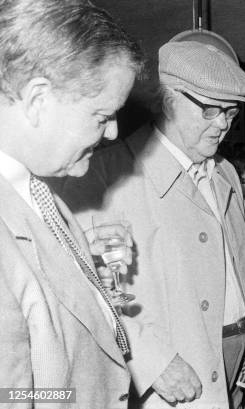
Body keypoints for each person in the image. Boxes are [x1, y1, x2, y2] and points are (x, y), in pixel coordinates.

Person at [57, 37, 245, 409]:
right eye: (209, 110)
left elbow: (234, 241)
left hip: (240, 359)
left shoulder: (224, 173)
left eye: (231, 112)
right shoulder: (105, 176)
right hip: (176, 369)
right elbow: (79, 290)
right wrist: (150, 361)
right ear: (168, 99)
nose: (222, 124)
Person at [0, 0, 143, 407]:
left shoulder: (38, 192)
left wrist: (82, 277)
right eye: (101, 115)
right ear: (38, 100)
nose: (113, 132)